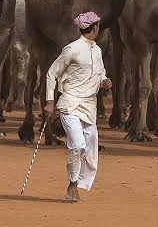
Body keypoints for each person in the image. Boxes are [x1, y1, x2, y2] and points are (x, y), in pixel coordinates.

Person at [43, 11, 111, 203]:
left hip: (90, 106)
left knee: (90, 150)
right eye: (98, 25)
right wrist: (49, 102)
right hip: (70, 104)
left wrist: (105, 81)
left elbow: (100, 73)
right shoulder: (72, 49)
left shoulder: (97, 50)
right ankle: (72, 185)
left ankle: (79, 183)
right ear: (94, 27)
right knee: (78, 146)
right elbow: (51, 73)